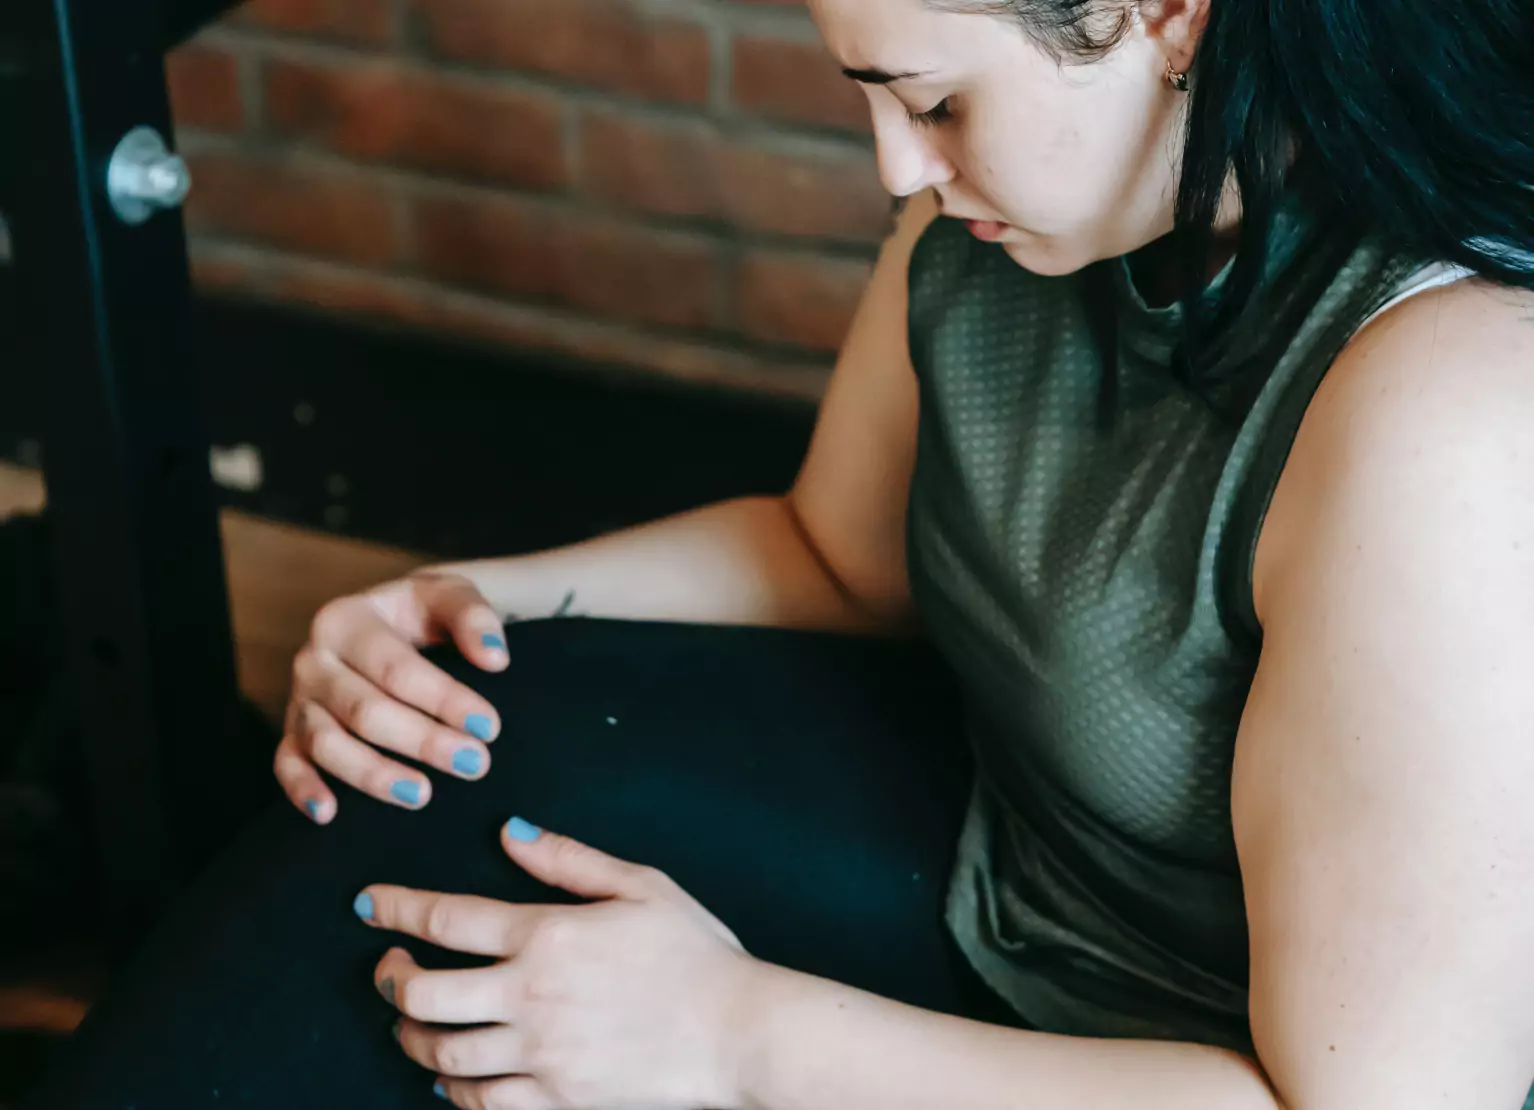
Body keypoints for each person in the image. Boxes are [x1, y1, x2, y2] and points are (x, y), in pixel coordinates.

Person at [23, 0, 1534, 1107]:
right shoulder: (1015, 219)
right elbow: (830, 555)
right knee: (443, 751)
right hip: (1001, 881)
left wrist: (734, 1037)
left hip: (1177, 1065)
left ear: (1163, 15)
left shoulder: (1443, 413)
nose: (893, 167)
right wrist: (462, 600)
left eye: (933, 103)